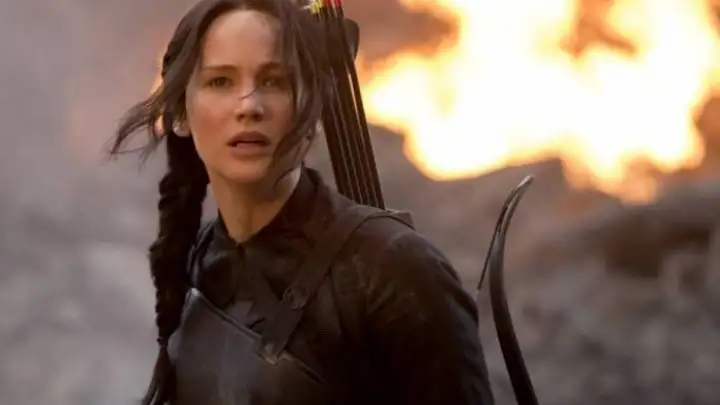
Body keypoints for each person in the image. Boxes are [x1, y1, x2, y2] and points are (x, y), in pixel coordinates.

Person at [109, 0, 495, 404]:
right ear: (180, 114)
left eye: (274, 81)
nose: (249, 106)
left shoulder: (395, 272)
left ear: (311, 109)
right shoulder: (198, 262)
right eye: (220, 81)